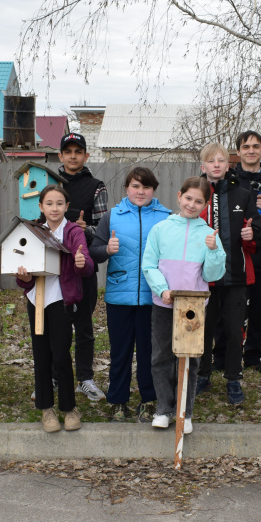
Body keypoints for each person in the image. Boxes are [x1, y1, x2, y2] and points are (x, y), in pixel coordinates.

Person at [142, 177, 227, 434]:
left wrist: (213, 251)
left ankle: (185, 412)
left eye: (198, 201)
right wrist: (162, 289)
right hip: (164, 304)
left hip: (193, 307)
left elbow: (213, 275)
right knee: (161, 357)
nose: (192, 204)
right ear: (179, 196)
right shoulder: (161, 229)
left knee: (189, 358)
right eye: (188, 198)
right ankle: (164, 409)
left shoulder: (209, 234)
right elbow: (149, 265)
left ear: (205, 204)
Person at [89, 167, 171, 422]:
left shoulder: (166, 218)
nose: (140, 191)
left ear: (153, 190)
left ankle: (148, 400)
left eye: (146, 187)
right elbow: (94, 251)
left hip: (154, 297)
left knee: (151, 352)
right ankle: (118, 401)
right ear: (127, 188)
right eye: (136, 186)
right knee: (120, 352)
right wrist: (107, 249)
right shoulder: (112, 216)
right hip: (119, 298)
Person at [16, 184, 95, 433]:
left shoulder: (72, 232)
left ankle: (69, 408)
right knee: (41, 354)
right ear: (41, 206)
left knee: (60, 353)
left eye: (59, 203)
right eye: (49, 203)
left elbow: (87, 265)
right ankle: (46, 408)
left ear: (66, 206)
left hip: (61, 299)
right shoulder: (33, 230)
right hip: (36, 299)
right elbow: (22, 272)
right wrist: (25, 277)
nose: (54, 208)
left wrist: (81, 262)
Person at [211, 131, 261, 374]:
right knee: (225, 311)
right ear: (239, 152)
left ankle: (253, 357)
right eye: (246, 146)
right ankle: (220, 357)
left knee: (256, 309)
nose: (251, 150)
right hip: (231, 257)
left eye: (256, 146)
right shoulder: (228, 181)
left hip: (260, 256)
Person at [194, 142, 261, 405]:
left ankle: (233, 379)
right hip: (201, 278)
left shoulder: (243, 195)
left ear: (227, 165)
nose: (217, 165)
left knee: (235, 331)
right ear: (203, 166)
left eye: (221, 160)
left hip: (236, 276)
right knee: (203, 329)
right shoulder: (194, 192)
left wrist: (251, 233)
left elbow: (258, 232)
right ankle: (202, 375)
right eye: (211, 161)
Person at [57, 132, 107, 402]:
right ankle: (55, 376)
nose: (73, 155)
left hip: (83, 268)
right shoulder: (48, 183)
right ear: (60, 155)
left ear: (86, 156)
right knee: (57, 327)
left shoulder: (96, 186)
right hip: (53, 269)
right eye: (68, 151)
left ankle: (85, 379)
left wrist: (85, 230)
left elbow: (102, 229)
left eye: (78, 151)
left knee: (84, 327)